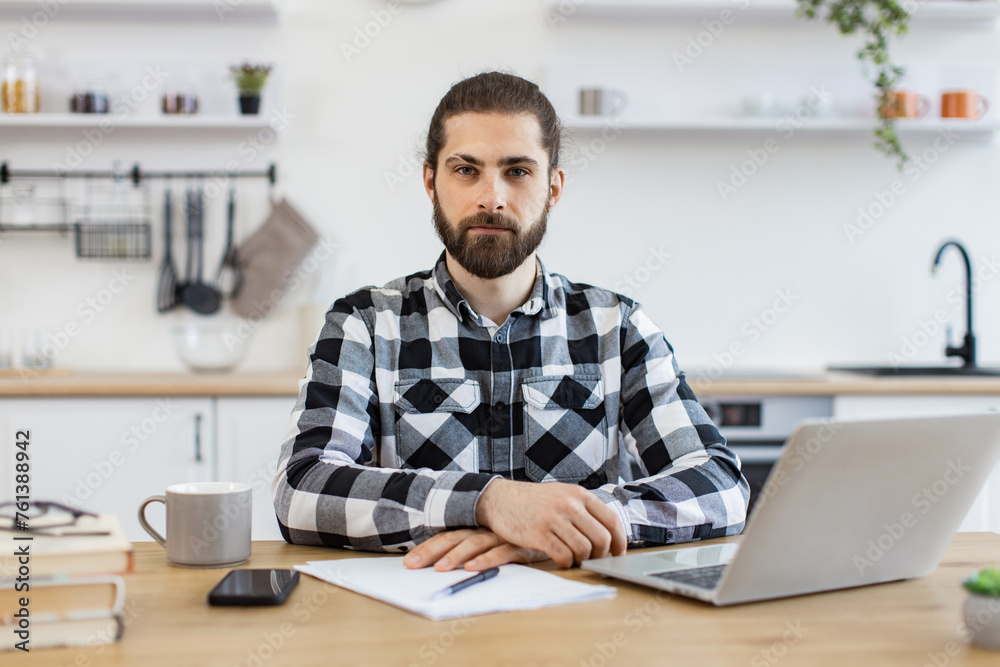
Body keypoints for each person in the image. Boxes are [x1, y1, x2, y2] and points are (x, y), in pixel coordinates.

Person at [272, 71, 748, 573]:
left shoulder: (617, 327)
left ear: (554, 187)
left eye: (517, 171)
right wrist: (490, 502)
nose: (491, 198)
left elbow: (720, 486)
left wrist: (563, 525)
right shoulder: (364, 325)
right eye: (466, 170)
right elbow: (300, 489)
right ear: (431, 181)